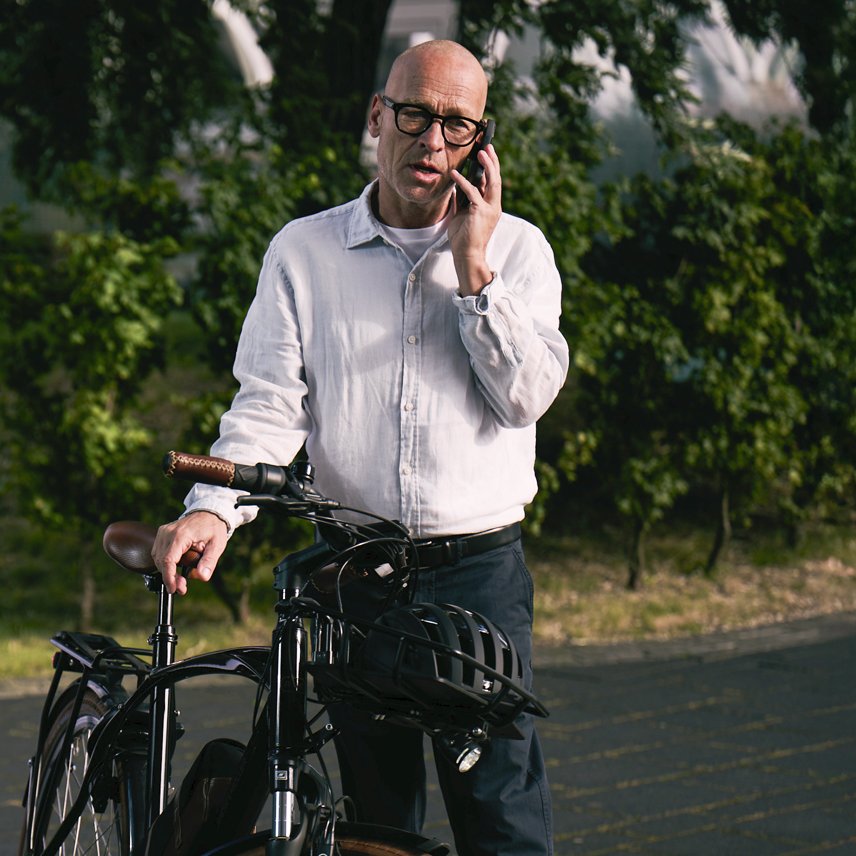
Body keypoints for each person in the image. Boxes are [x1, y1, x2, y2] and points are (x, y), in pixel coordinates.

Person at [153, 38, 567, 856]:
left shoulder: (519, 252)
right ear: (378, 115)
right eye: (415, 114)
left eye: (457, 125)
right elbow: (269, 406)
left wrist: (474, 268)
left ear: (481, 143)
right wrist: (214, 511)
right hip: (353, 574)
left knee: (503, 817)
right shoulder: (304, 253)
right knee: (376, 822)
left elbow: (524, 398)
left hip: (478, 577)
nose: (432, 141)